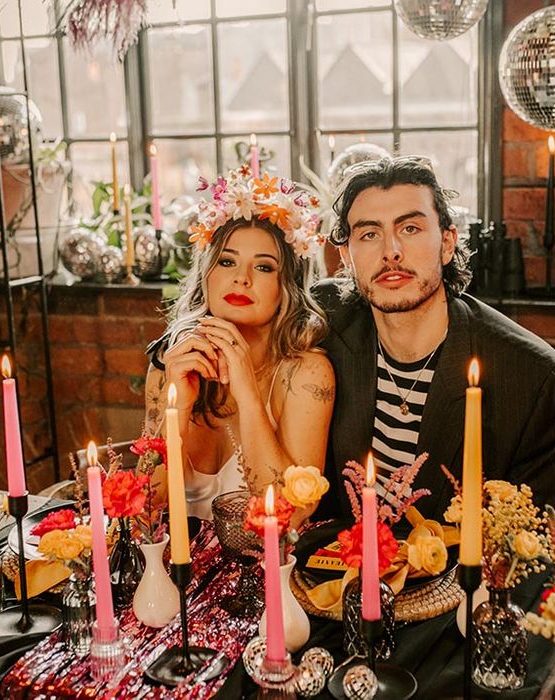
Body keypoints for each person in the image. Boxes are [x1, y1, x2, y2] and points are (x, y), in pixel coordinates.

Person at [314, 156, 555, 520]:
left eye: (409, 228)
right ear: (346, 256)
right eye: (369, 234)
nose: (390, 251)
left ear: (446, 243)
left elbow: (533, 548)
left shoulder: (531, 378)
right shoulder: (326, 326)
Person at [144, 169, 335, 520]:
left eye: (263, 267)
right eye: (227, 261)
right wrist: (178, 410)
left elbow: (290, 514)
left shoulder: (306, 373)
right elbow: (145, 508)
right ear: (207, 273)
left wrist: (247, 395)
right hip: (179, 571)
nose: (241, 278)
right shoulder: (171, 363)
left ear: (286, 286)